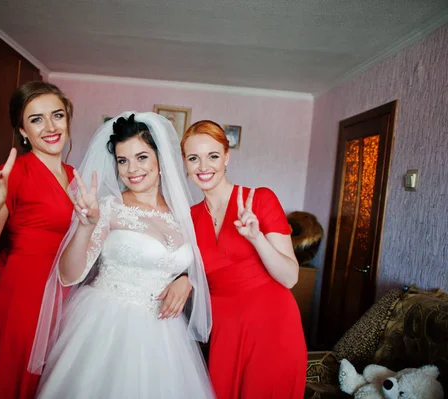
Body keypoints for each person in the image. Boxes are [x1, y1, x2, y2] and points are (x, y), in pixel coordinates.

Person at [30, 112, 214, 399]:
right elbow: (68, 276)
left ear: (160, 159)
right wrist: (86, 226)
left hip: (165, 337)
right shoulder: (108, 207)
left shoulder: (183, 215)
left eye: (141, 157)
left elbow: (202, 265)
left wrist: (185, 279)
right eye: (122, 160)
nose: (131, 169)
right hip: (108, 326)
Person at [0, 81, 75, 399]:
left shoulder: (78, 175)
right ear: (23, 131)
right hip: (22, 306)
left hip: (67, 303)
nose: (50, 127)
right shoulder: (13, 174)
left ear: (68, 119)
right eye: (36, 119)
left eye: (57, 115)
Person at [181, 120, 307, 398]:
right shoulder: (188, 218)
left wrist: (256, 238)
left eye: (213, 156)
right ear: (185, 164)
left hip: (272, 327)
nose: (204, 166)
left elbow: (290, 277)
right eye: (194, 158)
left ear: (226, 157)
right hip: (225, 332)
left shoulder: (260, 199)